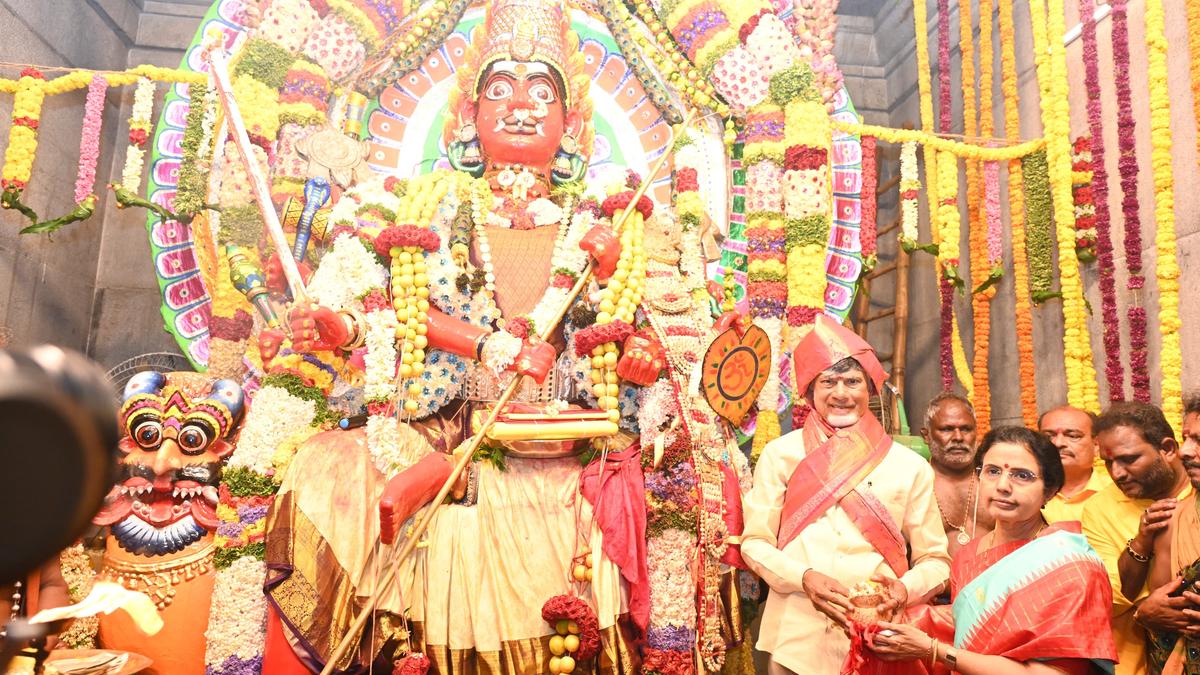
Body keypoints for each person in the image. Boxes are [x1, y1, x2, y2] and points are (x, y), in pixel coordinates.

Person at [741, 315, 950, 674]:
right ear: (808, 391)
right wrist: (803, 577)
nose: (841, 393)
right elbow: (754, 543)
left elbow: (936, 561)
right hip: (793, 635)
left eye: (852, 381)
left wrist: (904, 589)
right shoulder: (780, 454)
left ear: (869, 389)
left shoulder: (909, 465)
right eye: (828, 382)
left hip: (881, 637)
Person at [868, 425, 1117, 674]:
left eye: (1022, 475)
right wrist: (898, 614)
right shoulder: (969, 555)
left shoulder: (1071, 566)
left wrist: (934, 650)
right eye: (992, 471)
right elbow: (975, 630)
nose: (1003, 486)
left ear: (1049, 491)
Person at [1082, 402, 1193, 675]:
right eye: (1108, 463)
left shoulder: (1196, 486)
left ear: (1167, 449)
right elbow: (1112, 597)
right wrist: (1141, 542)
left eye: (1129, 459)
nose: (1117, 473)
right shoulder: (1100, 508)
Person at [1144, 394, 1200, 674]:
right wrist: (1147, 613)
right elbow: (1160, 609)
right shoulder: (1174, 518)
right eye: (1186, 439)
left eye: (1199, 440)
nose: (1186, 451)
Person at [921, 392, 994, 558]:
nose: (958, 437)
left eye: (966, 429)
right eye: (947, 429)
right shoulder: (915, 481)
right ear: (926, 435)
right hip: (939, 582)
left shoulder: (996, 479)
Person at [1040, 406, 1113, 524]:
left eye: (1073, 436)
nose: (1058, 443)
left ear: (1096, 445)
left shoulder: (1117, 491)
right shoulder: (1024, 492)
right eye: (1049, 436)